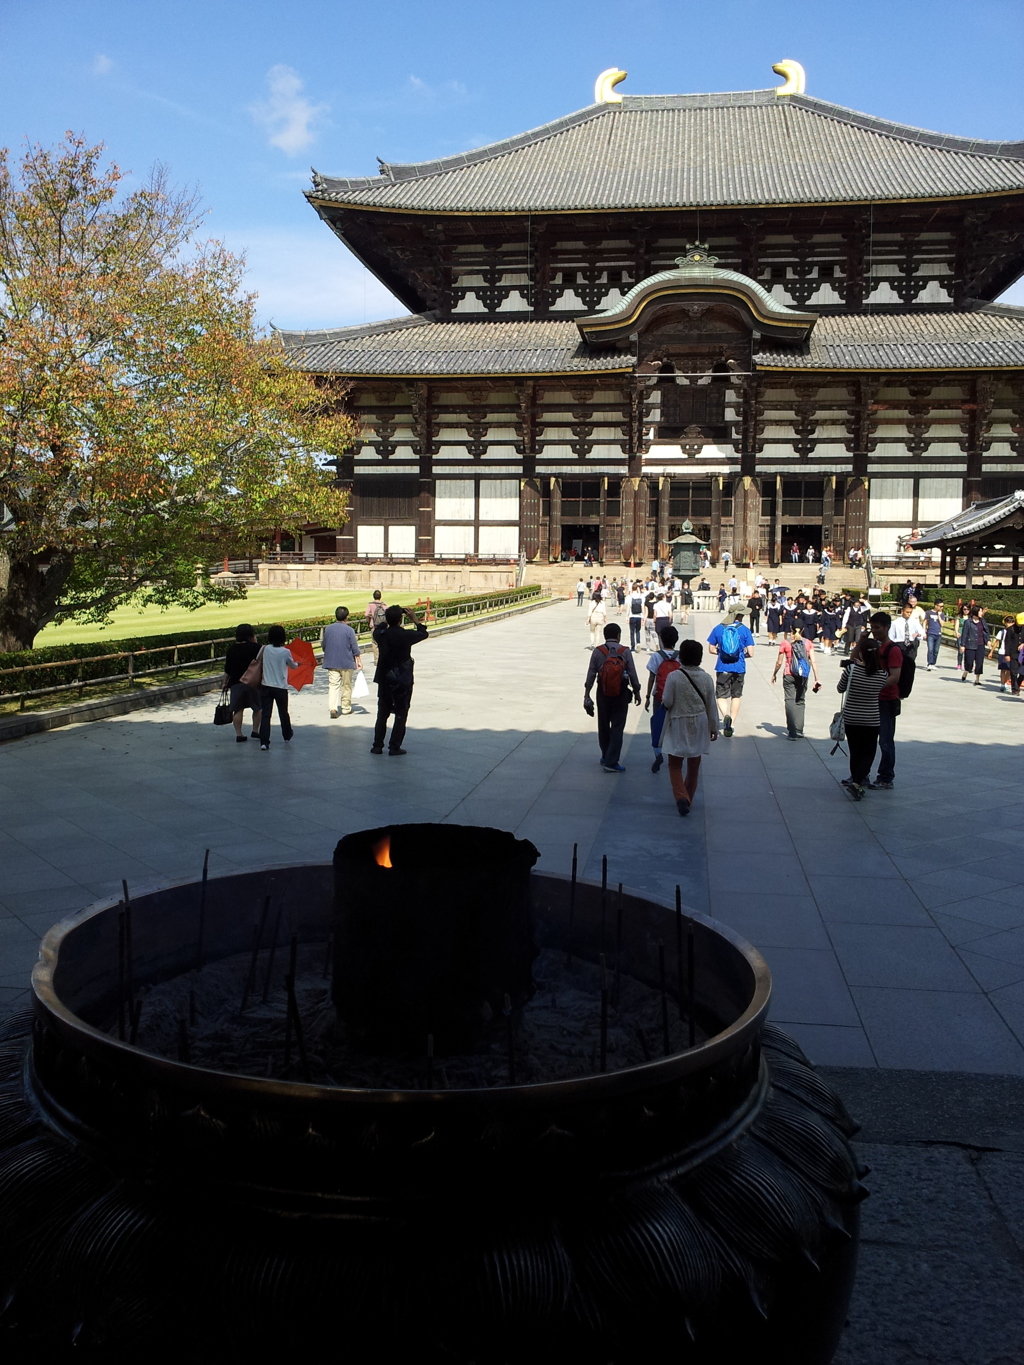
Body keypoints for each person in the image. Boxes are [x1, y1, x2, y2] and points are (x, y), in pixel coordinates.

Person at [660, 639, 718, 817]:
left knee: (675, 763)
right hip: (700, 722)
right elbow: (711, 705)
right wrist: (714, 726)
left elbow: (668, 701)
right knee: (694, 763)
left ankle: (680, 796)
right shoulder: (706, 678)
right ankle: (688, 797)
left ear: (682, 656)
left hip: (678, 721)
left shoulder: (674, 676)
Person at [836, 633, 889, 800]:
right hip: (871, 718)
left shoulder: (851, 670)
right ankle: (858, 782)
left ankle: (856, 780)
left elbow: (840, 688)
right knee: (869, 752)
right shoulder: (882, 675)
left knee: (855, 751)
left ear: (861, 653)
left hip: (852, 717)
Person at [583, 622, 641, 773]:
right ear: (618, 636)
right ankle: (612, 761)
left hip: (602, 692)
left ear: (604, 635)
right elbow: (632, 673)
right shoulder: (625, 651)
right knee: (617, 726)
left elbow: (591, 673)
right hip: (620, 693)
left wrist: (587, 694)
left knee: (603, 724)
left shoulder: (598, 651)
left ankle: (605, 755)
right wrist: (637, 691)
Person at [372, 605, 429, 755]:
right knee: (401, 713)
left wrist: (386, 620)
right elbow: (423, 633)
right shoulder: (405, 635)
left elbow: (378, 629)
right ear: (401, 619)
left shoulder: (382, 634)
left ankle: (377, 745)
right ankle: (394, 746)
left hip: (385, 677)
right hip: (402, 678)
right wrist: (415, 619)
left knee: (382, 713)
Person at [706, 608, 754, 738]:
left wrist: (722, 653)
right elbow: (751, 652)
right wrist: (740, 656)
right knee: (736, 696)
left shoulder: (718, 628)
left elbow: (711, 649)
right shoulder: (744, 630)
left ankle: (725, 715)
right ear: (738, 616)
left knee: (721, 695)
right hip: (739, 668)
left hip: (722, 667)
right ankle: (732, 724)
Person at [771, 624, 821, 739]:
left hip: (789, 674)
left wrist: (774, 674)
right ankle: (799, 730)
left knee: (790, 701)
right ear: (803, 629)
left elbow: (779, 662)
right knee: (800, 701)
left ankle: (792, 731)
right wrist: (816, 678)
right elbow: (813, 661)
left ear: (790, 629)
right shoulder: (808, 643)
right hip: (803, 675)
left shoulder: (785, 643)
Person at [871, 612, 903, 789]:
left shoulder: (893, 650)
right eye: (872, 627)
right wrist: (862, 639)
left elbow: (895, 676)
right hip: (872, 700)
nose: (874, 631)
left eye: (877, 628)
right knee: (868, 739)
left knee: (885, 740)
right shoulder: (874, 647)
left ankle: (886, 777)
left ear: (886, 627)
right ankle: (861, 774)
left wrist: (875, 686)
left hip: (886, 700)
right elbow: (853, 660)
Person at [645, 624, 681, 773]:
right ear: (676, 639)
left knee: (658, 725)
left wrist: (647, 696)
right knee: (675, 726)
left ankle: (658, 753)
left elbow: (652, 677)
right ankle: (675, 754)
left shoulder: (656, 656)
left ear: (661, 639)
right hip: (677, 697)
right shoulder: (680, 656)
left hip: (659, 696)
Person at [258, 625, 300, 750]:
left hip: (266, 685)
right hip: (280, 687)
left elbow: (258, 660)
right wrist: (298, 664)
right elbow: (293, 666)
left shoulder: (265, 649)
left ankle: (264, 741)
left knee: (266, 714)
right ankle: (287, 734)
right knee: (283, 712)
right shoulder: (285, 652)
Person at [320, 605, 363, 718]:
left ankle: (333, 708)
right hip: (346, 662)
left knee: (333, 685)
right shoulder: (349, 630)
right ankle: (345, 708)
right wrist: (358, 660)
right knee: (346, 686)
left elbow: (324, 645)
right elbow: (354, 648)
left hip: (332, 661)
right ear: (346, 617)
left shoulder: (328, 629)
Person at [222, 624, 261, 742]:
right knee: (258, 708)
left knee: (238, 709)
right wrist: (255, 642)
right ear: (251, 635)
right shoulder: (257, 648)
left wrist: (224, 683)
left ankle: (239, 734)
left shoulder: (231, 649)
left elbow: (227, 670)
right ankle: (255, 730)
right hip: (253, 682)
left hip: (235, 683)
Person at [889, 601, 924, 698]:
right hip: (900, 644)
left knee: (909, 669)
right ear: (902, 611)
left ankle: (905, 690)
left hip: (911, 645)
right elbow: (891, 637)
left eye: (910, 612)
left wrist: (918, 635)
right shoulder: (895, 623)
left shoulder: (914, 622)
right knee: (899, 668)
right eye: (907, 612)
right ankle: (897, 689)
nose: (908, 614)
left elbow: (922, 633)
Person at [959, 606, 990, 686]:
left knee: (979, 662)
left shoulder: (982, 621)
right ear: (976, 612)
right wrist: (962, 645)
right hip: (970, 644)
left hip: (980, 644)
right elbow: (964, 634)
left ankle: (977, 679)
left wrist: (988, 640)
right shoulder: (968, 622)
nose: (981, 613)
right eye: (980, 611)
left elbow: (986, 631)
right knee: (969, 661)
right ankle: (966, 670)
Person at [365, 590, 388, 665]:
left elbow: (366, 614)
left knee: (375, 643)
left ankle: (377, 660)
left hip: (374, 626)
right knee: (383, 643)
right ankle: (384, 659)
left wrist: (369, 621)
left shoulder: (370, 605)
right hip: (383, 626)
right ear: (380, 596)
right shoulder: (383, 605)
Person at [626, 583, 645, 650]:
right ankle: (638, 643)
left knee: (632, 632)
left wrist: (627, 617)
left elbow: (628, 607)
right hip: (639, 616)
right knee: (638, 630)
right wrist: (643, 617)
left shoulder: (629, 596)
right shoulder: (641, 596)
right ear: (637, 588)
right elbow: (642, 607)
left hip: (632, 616)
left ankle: (633, 646)